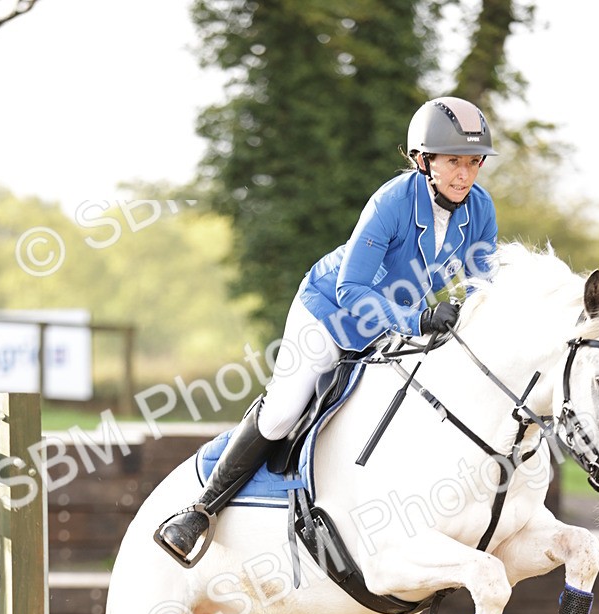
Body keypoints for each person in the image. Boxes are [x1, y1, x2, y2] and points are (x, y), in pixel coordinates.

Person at [155, 95, 498, 566]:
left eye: (474, 162)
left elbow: (485, 278)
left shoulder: (479, 207)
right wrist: (418, 319)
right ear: (423, 160)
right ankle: (201, 509)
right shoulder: (393, 202)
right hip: (331, 311)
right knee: (281, 413)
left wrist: (467, 308)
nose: (465, 174)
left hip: (395, 321)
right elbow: (353, 286)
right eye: (453, 161)